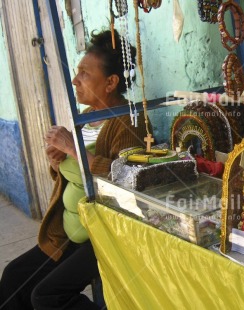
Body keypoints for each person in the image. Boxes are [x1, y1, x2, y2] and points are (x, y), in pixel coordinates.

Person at [0, 29, 148, 309]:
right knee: (13, 277)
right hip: (69, 231)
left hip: (104, 234)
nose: (75, 80)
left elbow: (128, 178)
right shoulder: (88, 117)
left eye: (84, 74)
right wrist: (58, 163)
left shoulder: (129, 121)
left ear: (110, 82)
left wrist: (73, 150)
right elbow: (74, 176)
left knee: (46, 296)